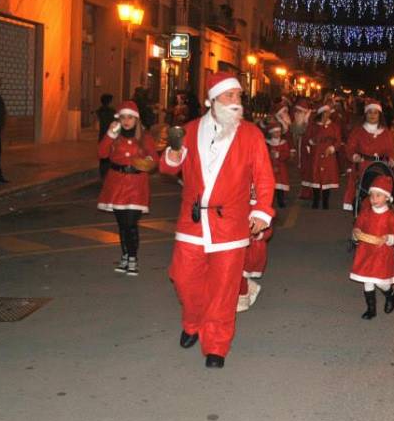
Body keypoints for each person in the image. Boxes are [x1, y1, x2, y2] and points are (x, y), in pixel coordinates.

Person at [160, 72, 275, 369]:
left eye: (238, 96)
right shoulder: (189, 129)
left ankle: (217, 344)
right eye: (229, 96)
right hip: (193, 220)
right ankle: (193, 320)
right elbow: (169, 168)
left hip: (231, 224)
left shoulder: (250, 134)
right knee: (183, 278)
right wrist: (173, 154)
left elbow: (263, 176)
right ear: (213, 100)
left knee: (224, 288)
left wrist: (262, 211)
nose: (236, 102)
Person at [97, 101, 157, 276]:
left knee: (131, 224)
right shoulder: (115, 136)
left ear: (136, 119)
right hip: (116, 184)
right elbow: (102, 153)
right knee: (122, 225)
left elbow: (155, 160)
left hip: (136, 185)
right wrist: (109, 134)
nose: (126, 121)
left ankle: (132, 258)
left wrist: (145, 163)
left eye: (130, 117)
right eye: (123, 117)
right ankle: (124, 256)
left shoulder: (144, 137)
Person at [350, 175, 394, 320]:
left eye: (378, 195)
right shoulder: (365, 213)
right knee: (368, 281)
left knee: (381, 283)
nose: (373, 198)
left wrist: (388, 238)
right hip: (366, 251)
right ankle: (371, 309)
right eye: (372, 195)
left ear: (386, 198)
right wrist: (356, 232)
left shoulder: (390, 216)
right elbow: (358, 226)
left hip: (382, 253)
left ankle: (390, 294)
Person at [342, 100, 394, 211]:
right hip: (362, 167)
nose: (372, 115)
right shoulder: (358, 131)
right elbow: (350, 148)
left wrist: (391, 158)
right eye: (370, 112)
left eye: (375, 112)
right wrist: (354, 156)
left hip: (380, 168)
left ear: (379, 115)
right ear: (365, 114)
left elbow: (390, 149)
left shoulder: (385, 132)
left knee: (379, 195)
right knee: (364, 195)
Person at [303, 104, 342, 209]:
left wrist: (332, 148)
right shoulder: (314, 126)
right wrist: (312, 141)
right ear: (321, 114)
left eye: (328, 113)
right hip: (316, 154)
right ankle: (316, 200)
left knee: (327, 178)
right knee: (316, 176)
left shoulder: (334, 126)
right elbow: (307, 138)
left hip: (328, 155)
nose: (327, 115)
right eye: (325, 113)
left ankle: (325, 201)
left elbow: (338, 141)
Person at [266, 123, 291, 208]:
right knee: (271, 187)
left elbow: (287, 154)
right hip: (270, 167)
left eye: (279, 132)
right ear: (271, 133)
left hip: (281, 168)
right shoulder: (267, 143)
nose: (278, 134)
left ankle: (281, 201)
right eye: (275, 132)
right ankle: (270, 202)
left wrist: (278, 155)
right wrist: (270, 155)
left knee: (280, 186)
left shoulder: (283, 143)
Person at [94, 93, 116, 179]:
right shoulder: (112, 111)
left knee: (103, 156)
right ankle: (108, 174)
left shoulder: (99, 111)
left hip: (102, 135)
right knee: (110, 155)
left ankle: (103, 174)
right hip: (110, 135)